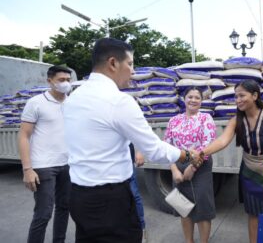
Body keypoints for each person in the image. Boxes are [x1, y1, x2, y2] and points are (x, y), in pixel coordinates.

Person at [63, 37, 203, 243]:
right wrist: (188, 154)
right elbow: (154, 149)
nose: (133, 71)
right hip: (110, 200)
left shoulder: (73, 98)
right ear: (113, 63)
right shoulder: (118, 101)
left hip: (78, 194)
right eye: (129, 64)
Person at [192, 79, 263, 243]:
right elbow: (222, 141)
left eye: (242, 95)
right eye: (236, 97)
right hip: (249, 173)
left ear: (255, 95)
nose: (238, 100)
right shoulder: (236, 121)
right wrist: (202, 152)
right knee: (253, 213)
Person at [18, 65, 72, 243]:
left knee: (64, 208)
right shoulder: (36, 103)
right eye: (61, 80)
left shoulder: (73, 102)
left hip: (68, 164)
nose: (66, 83)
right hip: (43, 165)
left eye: (68, 80)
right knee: (43, 213)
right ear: (50, 81)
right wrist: (27, 169)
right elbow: (24, 135)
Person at [165, 86, 217, 243]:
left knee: (203, 208)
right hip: (178, 166)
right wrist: (174, 170)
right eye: (190, 97)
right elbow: (167, 147)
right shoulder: (174, 120)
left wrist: (193, 167)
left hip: (201, 166)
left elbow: (207, 146)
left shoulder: (205, 118)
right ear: (184, 99)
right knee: (183, 207)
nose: (193, 100)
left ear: (201, 101)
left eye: (197, 97)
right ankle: (189, 241)